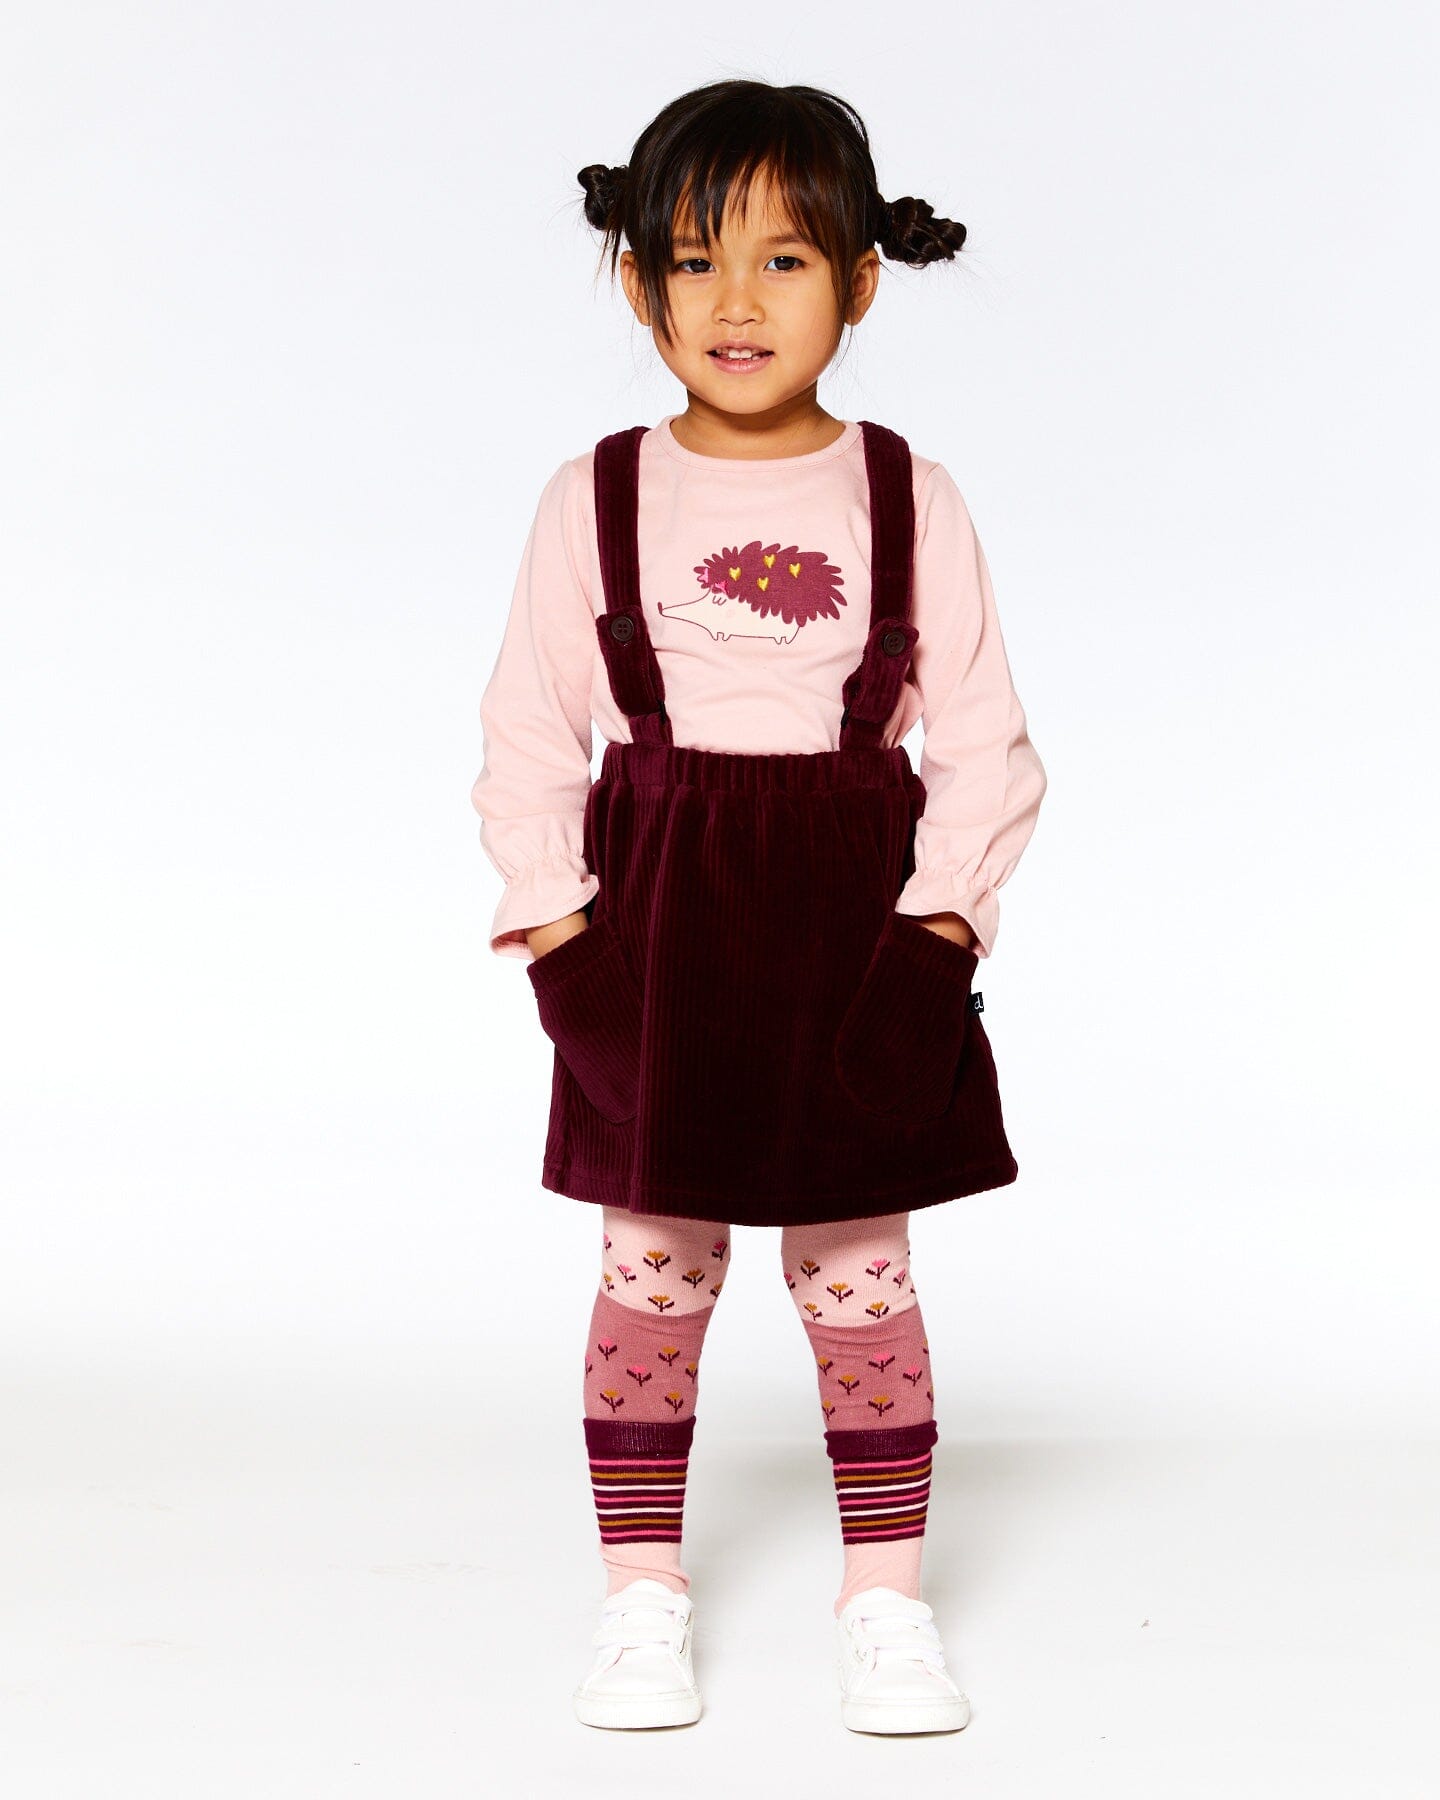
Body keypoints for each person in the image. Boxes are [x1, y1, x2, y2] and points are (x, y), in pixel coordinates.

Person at [470, 78, 1047, 1734]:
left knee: (858, 1261)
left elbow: (988, 743)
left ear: (861, 279)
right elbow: (528, 740)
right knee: (652, 1260)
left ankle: (887, 1599)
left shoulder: (907, 493)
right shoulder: (593, 495)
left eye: (785, 259)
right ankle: (642, 1593)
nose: (737, 301)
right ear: (638, 282)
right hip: (652, 925)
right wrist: (562, 944)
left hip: (860, 925)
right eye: (694, 259)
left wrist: (939, 937)